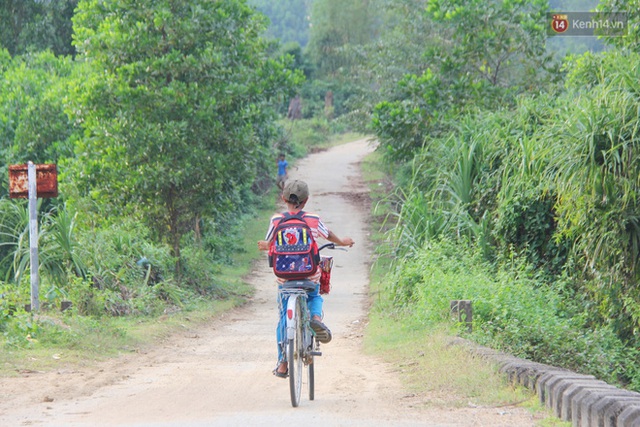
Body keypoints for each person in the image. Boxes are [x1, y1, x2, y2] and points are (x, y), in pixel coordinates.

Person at [257, 179, 354, 378]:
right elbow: (329, 236)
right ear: (306, 200)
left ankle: (283, 363)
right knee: (315, 295)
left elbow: (268, 243)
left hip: (285, 278)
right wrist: (343, 241)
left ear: (284, 198)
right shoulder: (313, 219)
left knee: (284, 317)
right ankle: (316, 318)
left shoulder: (277, 220)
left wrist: (265, 245)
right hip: (309, 274)